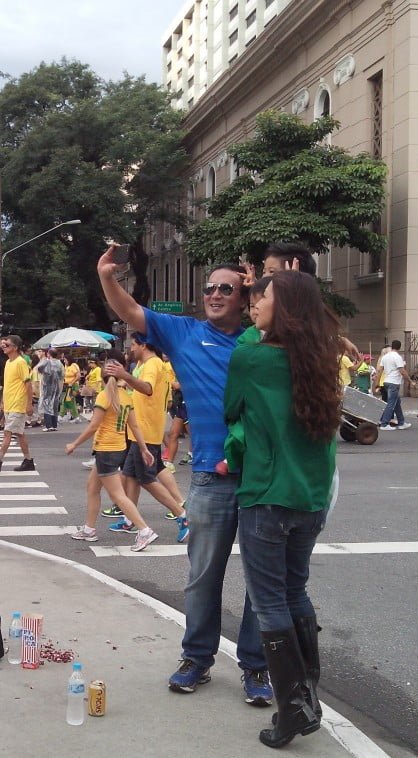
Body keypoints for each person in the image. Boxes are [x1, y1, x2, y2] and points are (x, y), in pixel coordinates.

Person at [97, 245, 270, 707]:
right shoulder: (184, 333)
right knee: (203, 576)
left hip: (260, 478)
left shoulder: (263, 337)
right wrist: (107, 276)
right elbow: (130, 310)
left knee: (261, 580)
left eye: (225, 288)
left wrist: (263, 290)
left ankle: (257, 667)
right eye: (209, 287)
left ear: (243, 295)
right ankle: (197, 658)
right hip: (212, 479)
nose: (214, 294)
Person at [225, 270, 338, 748]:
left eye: (261, 297)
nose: (253, 305)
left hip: (267, 494)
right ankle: (306, 692)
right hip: (310, 497)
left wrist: (235, 455)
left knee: (269, 599)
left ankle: (292, 708)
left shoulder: (252, 355)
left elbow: (233, 411)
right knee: (295, 592)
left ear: (284, 309)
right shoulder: (323, 357)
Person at [66, 351, 159, 552]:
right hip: (116, 449)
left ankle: (144, 530)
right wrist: (143, 448)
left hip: (106, 450)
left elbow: (93, 426)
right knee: (92, 487)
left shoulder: (105, 395)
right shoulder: (126, 396)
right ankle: (89, 529)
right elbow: (134, 427)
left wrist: (74, 444)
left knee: (118, 495)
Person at [103, 335, 187, 539]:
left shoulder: (153, 364)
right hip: (140, 430)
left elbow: (148, 389)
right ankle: (130, 520)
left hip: (147, 431)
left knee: (146, 479)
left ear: (143, 345)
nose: (131, 348)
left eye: (133, 344)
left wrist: (125, 375)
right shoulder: (146, 364)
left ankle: (182, 516)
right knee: (131, 475)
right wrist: (125, 383)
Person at [0, 335, 36, 473]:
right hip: (10, 403)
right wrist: (3, 402)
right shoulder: (8, 362)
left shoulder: (20, 362)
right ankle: (28, 461)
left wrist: (29, 404)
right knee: (20, 433)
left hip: (18, 403)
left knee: (7, 433)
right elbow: (8, 384)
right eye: (4, 344)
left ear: (15, 348)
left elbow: (28, 384)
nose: (4, 346)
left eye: (7, 345)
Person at [375, 340, 412, 430]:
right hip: (394, 382)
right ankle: (384, 424)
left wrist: (377, 383)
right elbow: (402, 371)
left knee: (396, 402)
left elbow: (380, 370)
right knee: (391, 403)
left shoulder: (385, 357)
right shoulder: (397, 357)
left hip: (386, 381)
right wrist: (410, 381)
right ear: (399, 347)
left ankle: (401, 422)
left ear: (392, 346)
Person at [35, 348, 64, 432]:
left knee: (47, 404)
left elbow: (38, 368)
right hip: (57, 385)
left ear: (48, 354)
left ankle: (48, 425)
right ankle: (54, 425)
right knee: (54, 404)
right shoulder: (59, 363)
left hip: (47, 385)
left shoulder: (47, 361)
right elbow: (62, 375)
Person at [59, 354, 82, 422]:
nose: (64, 361)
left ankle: (62, 415)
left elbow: (78, 376)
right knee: (69, 401)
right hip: (67, 385)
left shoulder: (74, 366)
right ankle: (74, 417)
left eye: (65, 360)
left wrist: (72, 383)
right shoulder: (66, 366)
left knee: (67, 400)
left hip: (73, 385)